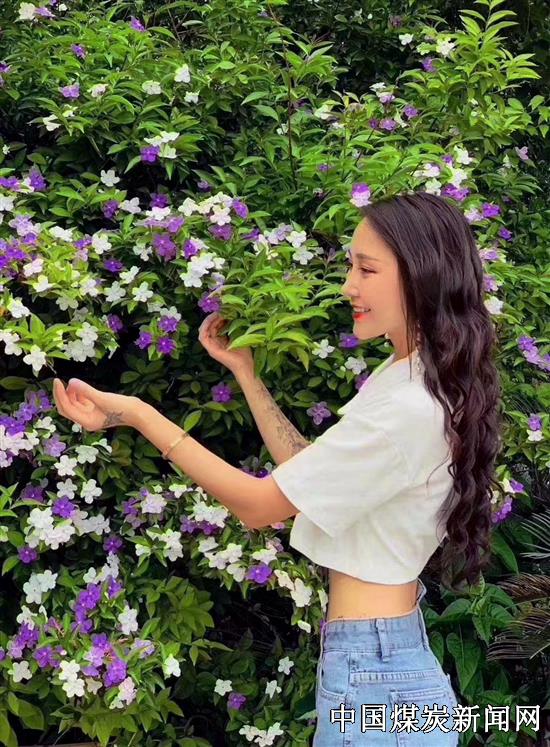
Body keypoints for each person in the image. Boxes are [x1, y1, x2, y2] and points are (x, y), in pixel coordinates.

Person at [53, 190, 503, 745]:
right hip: (384, 663)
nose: (349, 286)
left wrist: (140, 415)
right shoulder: (409, 378)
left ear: (422, 276)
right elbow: (308, 473)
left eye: (366, 269)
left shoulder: (410, 405)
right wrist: (247, 374)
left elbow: (260, 506)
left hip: (377, 679)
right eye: (350, 267)